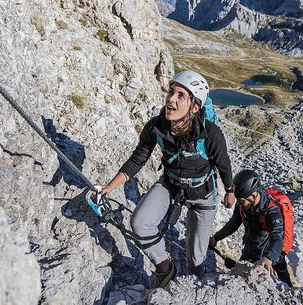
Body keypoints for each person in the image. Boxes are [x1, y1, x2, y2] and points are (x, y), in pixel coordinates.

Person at [98, 70, 236, 288]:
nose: (171, 99)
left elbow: (224, 165)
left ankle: (193, 289)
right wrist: (109, 187)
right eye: (171, 92)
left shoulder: (210, 133)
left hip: (202, 196)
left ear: (195, 107)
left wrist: (230, 191)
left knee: (195, 260)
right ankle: (164, 268)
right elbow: (138, 159)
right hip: (172, 185)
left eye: (181, 96)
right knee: (140, 223)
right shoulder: (157, 126)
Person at [209, 170, 294, 287]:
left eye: (241, 201)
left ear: (253, 196)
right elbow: (233, 224)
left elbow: (277, 237)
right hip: (249, 254)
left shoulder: (271, 211)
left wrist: (269, 258)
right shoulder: (243, 204)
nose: (238, 203)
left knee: (286, 287)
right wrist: (216, 238)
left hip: (271, 258)